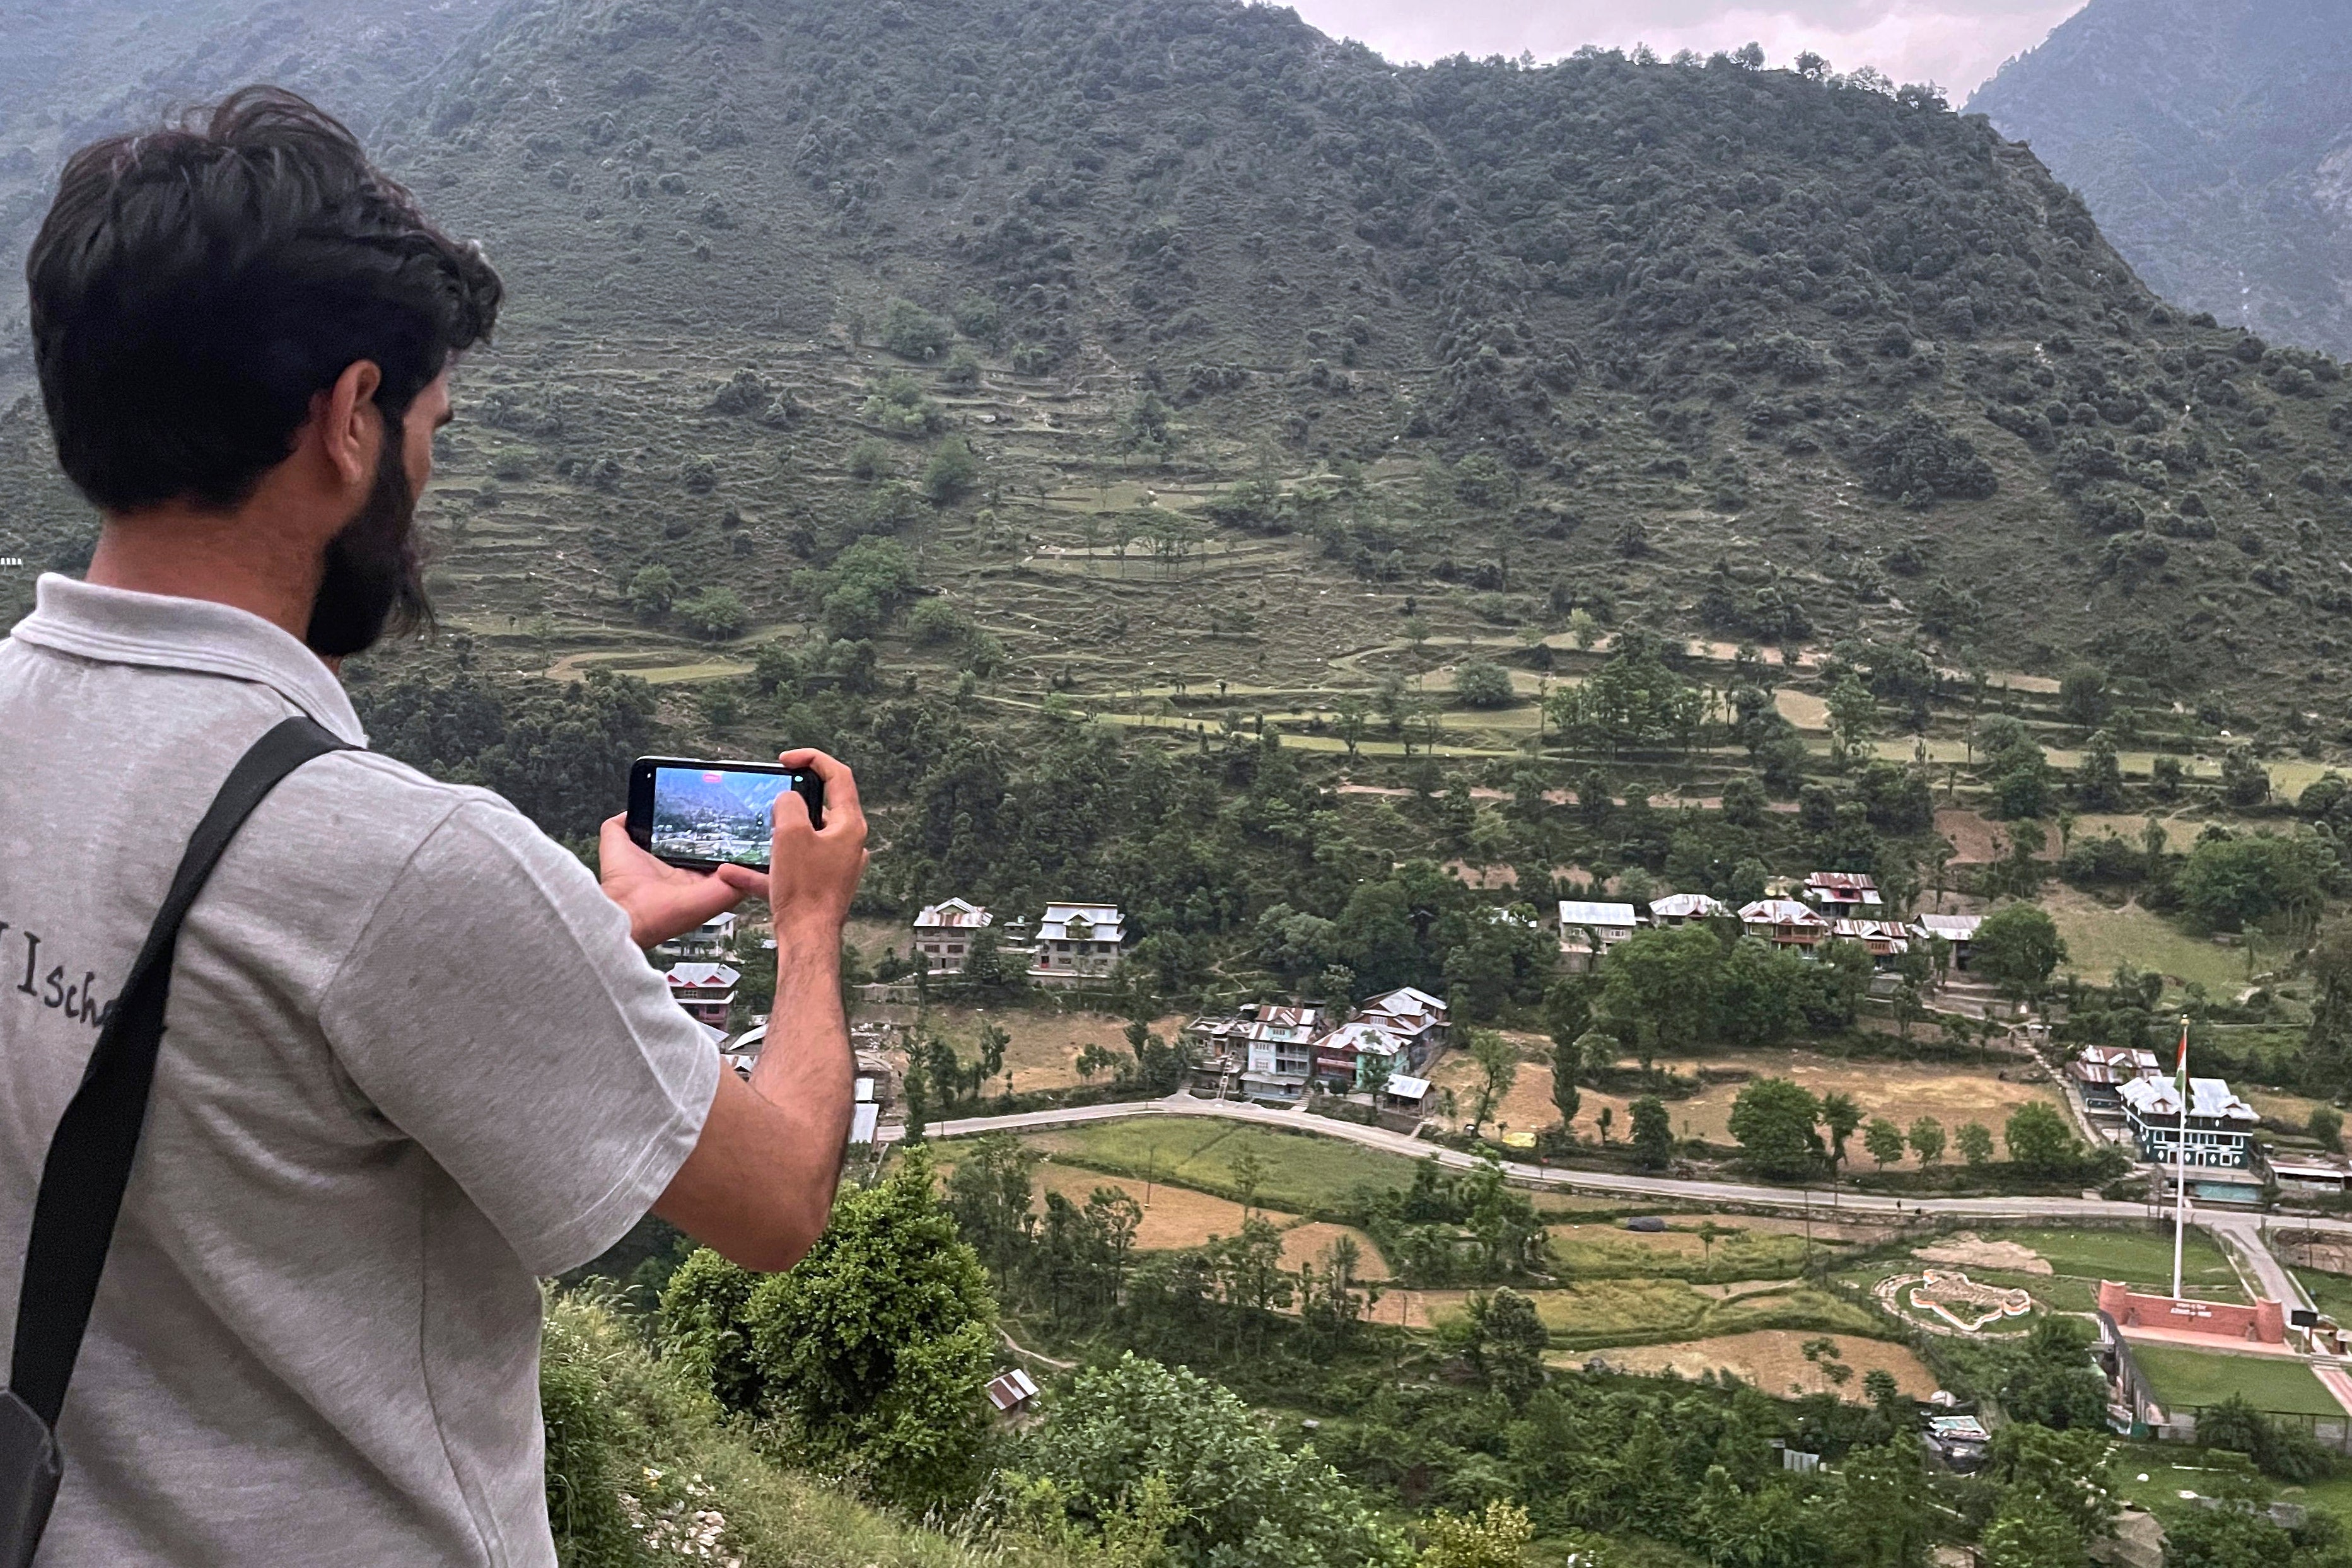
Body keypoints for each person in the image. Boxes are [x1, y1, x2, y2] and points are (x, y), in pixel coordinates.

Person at [0, 87, 866, 1564]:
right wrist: (806, 925)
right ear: (349, 420)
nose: (429, 487)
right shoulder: (396, 862)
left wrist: (584, 930)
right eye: (430, 428)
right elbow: (778, 1196)